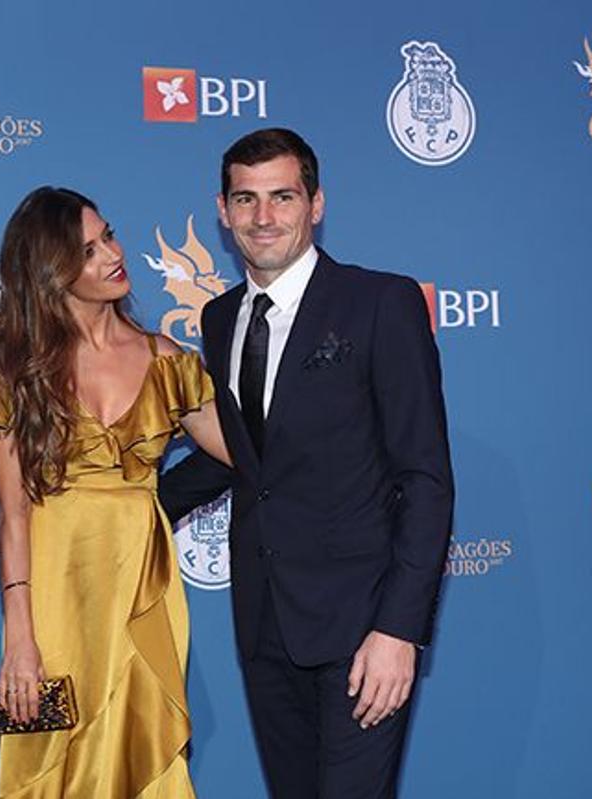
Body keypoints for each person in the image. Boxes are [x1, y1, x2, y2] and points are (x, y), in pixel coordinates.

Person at [159, 128, 454, 798]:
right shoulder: (218, 316)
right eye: (246, 199)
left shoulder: (380, 302)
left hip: (361, 628)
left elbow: (426, 478)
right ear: (223, 209)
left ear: (315, 204)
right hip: (265, 627)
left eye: (282, 196)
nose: (264, 217)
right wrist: (124, 509)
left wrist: (398, 630)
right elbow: (243, 459)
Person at [0, 186, 230, 798]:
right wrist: (19, 640)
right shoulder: (17, 375)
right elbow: (15, 516)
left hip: (142, 583)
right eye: (87, 250)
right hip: (56, 591)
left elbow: (247, 454)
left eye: (108, 235)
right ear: (52, 273)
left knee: (144, 744)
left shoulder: (167, 361)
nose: (112, 254)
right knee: (57, 759)